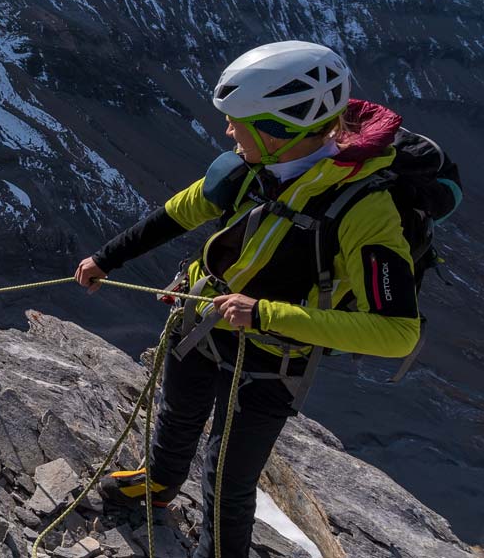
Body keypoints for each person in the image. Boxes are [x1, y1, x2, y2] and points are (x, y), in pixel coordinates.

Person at [75, 41, 421, 558]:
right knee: (177, 414)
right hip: (201, 321)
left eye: (241, 121)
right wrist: (106, 259)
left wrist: (263, 313)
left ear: (281, 131)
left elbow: (399, 334)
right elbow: (177, 214)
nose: (229, 131)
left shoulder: (363, 210)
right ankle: (160, 486)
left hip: (272, 360)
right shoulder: (248, 169)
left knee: (227, 479)